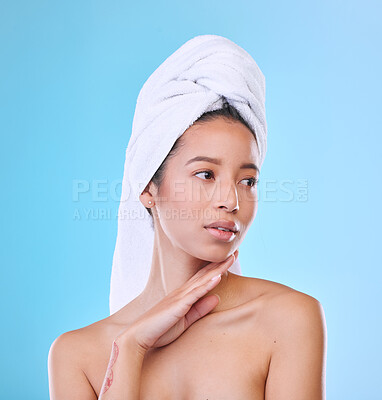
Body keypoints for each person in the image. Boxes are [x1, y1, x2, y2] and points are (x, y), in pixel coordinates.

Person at [48, 36, 327, 400]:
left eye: (248, 181)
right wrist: (130, 349)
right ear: (149, 188)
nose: (231, 200)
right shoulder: (77, 356)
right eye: (205, 175)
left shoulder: (288, 320)